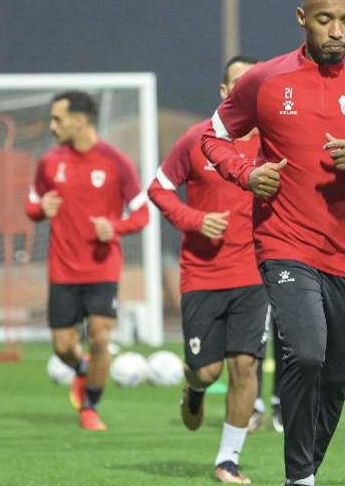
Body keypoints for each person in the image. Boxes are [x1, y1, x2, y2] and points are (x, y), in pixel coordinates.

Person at [201, 0, 345, 486]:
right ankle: (301, 478)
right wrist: (245, 174)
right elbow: (214, 135)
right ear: (303, 19)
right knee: (306, 351)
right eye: (325, 20)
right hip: (283, 242)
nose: (337, 31)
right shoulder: (264, 79)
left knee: (335, 378)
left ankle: (302, 473)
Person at [149, 55, 267, 484]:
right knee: (208, 371)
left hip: (255, 273)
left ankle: (227, 460)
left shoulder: (275, 141)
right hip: (202, 273)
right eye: (238, 83)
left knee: (245, 367)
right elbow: (159, 188)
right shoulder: (197, 138)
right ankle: (194, 387)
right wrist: (195, 220)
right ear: (224, 92)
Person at [25, 90, 150, 431]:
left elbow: (141, 214)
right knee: (63, 346)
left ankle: (90, 407)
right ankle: (80, 369)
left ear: (79, 121)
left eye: (57, 119)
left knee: (99, 336)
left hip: (102, 267)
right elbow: (32, 205)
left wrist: (116, 227)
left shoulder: (116, 162)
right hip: (63, 268)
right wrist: (40, 210)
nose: (52, 126)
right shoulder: (50, 162)